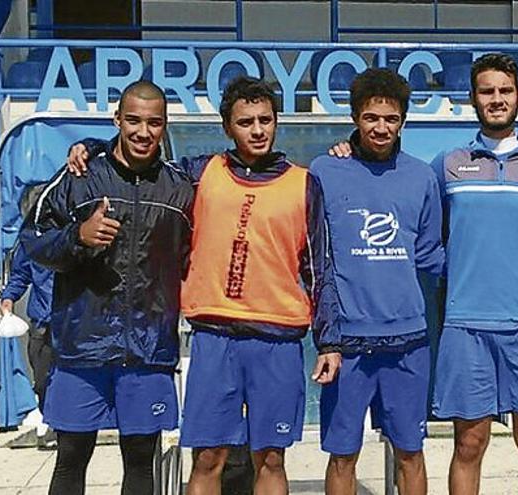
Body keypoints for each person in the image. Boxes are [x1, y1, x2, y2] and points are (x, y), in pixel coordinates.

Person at [67, 76, 340, 495]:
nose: (257, 129)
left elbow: (320, 268)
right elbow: (140, 153)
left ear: (277, 122)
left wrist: (329, 340)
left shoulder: (303, 183)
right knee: (208, 457)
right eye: (245, 121)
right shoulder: (197, 174)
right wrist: (95, 144)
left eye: (265, 120)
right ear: (227, 127)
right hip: (215, 339)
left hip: (278, 341)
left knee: (270, 457)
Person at [21, 80, 194, 495]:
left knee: (140, 464)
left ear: (165, 126)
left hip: (149, 351)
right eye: (132, 120)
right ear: (116, 120)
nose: (142, 131)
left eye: (154, 123)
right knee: (71, 459)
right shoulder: (79, 178)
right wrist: (77, 237)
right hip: (83, 349)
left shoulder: (181, 189)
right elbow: (32, 243)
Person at [430, 53, 518, 495]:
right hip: (466, 325)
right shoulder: (448, 165)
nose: (496, 99)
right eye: (487, 91)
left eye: (504, 91)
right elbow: (432, 239)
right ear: (473, 98)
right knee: (469, 444)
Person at [311, 68, 446, 495]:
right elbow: (314, 254)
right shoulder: (324, 171)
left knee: (410, 451)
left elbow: (430, 256)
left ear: (403, 120)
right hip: (349, 342)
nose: (381, 127)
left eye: (391, 118)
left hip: (408, 339)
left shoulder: (422, 176)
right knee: (343, 455)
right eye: (371, 118)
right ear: (355, 118)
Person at [0, 184, 55, 444]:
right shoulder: (29, 242)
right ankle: (52, 420)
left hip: (72, 323)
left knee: (70, 380)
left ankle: (66, 429)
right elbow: (21, 274)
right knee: (42, 379)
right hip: (41, 322)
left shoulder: (72, 236)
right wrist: (9, 298)